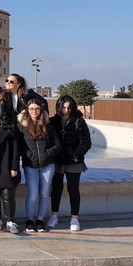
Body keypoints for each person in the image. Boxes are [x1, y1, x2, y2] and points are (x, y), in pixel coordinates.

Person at [48, 96, 92, 232]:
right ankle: (54, 216)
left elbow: (86, 142)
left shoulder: (79, 121)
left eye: (69, 107)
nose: (66, 110)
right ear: (59, 107)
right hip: (57, 161)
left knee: (73, 190)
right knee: (56, 189)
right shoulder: (53, 121)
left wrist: (76, 155)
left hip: (73, 162)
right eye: (63, 107)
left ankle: (74, 219)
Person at [18, 98, 61, 233]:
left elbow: (57, 145)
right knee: (33, 194)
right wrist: (29, 156)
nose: (34, 111)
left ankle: (40, 219)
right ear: (27, 110)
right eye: (31, 109)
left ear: (40, 110)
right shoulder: (22, 126)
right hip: (30, 165)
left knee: (44, 193)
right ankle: (29, 219)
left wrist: (46, 154)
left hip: (47, 165)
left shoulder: (48, 125)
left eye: (37, 109)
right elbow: (19, 146)